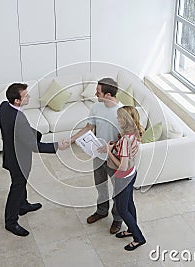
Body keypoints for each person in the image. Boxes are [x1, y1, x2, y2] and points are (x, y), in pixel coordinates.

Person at [0, 83, 67, 236]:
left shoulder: (4, 107)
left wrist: (32, 133)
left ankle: (23, 205)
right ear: (17, 100)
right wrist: (57, 146)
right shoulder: (18, 120)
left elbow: (16, 132)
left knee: (21, 182)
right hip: (19, 159)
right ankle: (11, 221)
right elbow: (35, 147)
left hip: (10, 153)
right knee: (17, 186)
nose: (29, 97)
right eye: (26, 95)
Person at [67, 78, 124, 234]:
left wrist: (111, 148)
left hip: (114, 159)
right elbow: (89, 127)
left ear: (108, 94)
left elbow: (127, 139)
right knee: (100, 186)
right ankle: (102, 210)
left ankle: (117, 218)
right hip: (98, 156)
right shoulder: (97, 107)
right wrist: (71, 139)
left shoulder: (122, 112)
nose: (95, 93)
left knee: (117, 191)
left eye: (98, 92)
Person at [106, 106, 146, 251]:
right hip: (132, 173)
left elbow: (122, 166)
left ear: (126, 120)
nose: (117, 119)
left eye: (120, 117)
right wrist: (115, 146)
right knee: (129, 203)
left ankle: (138, 237)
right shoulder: (134, 133)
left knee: (122, 209)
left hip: (123, 177)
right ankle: (131, 229)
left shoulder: (125, 140)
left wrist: (109, 152)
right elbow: (127, 157)